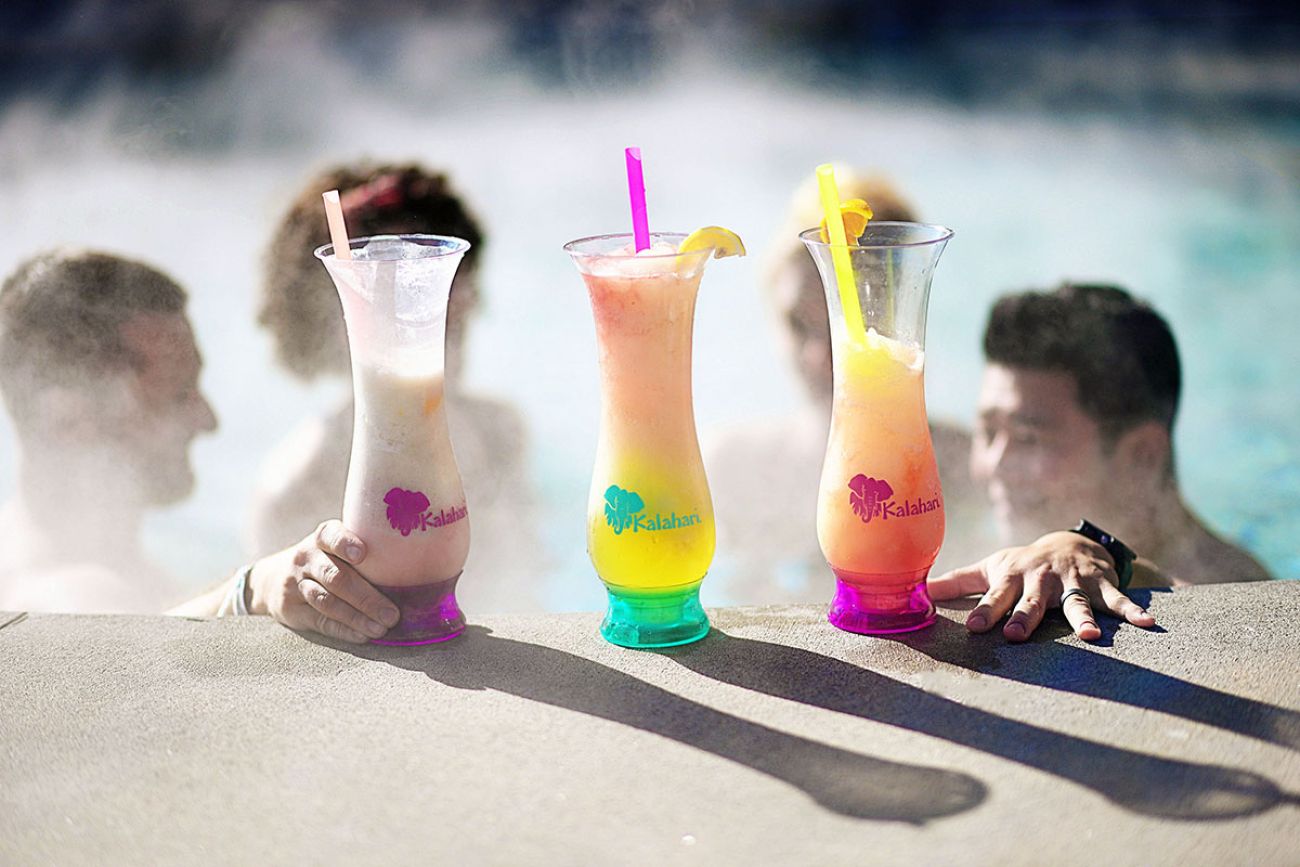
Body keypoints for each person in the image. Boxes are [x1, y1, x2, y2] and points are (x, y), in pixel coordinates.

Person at [0, 249, 397, 643]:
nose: (208, 419)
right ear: (68, 420)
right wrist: (250, 593)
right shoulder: (53, 593)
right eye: (179, 395)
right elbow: (115, 661)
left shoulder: (125, 568)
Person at [246, 162, 543, 613]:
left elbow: (529, 583)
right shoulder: (295, 482)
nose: (454, 300)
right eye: (395, 282)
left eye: (446, 274)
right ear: (334, 311)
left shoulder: (502, 432)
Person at [929, 283, 1272, 641]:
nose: (994, 465)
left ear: (1142, 456)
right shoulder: (971, 494)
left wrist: (1094, 552)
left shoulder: (1235, 584)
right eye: (987, 431)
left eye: (1029, 439)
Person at [705, 167, 985, 604]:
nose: (820, 356)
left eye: (852, 327)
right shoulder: (728, 465)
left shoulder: (975, 468)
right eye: (798, 324)